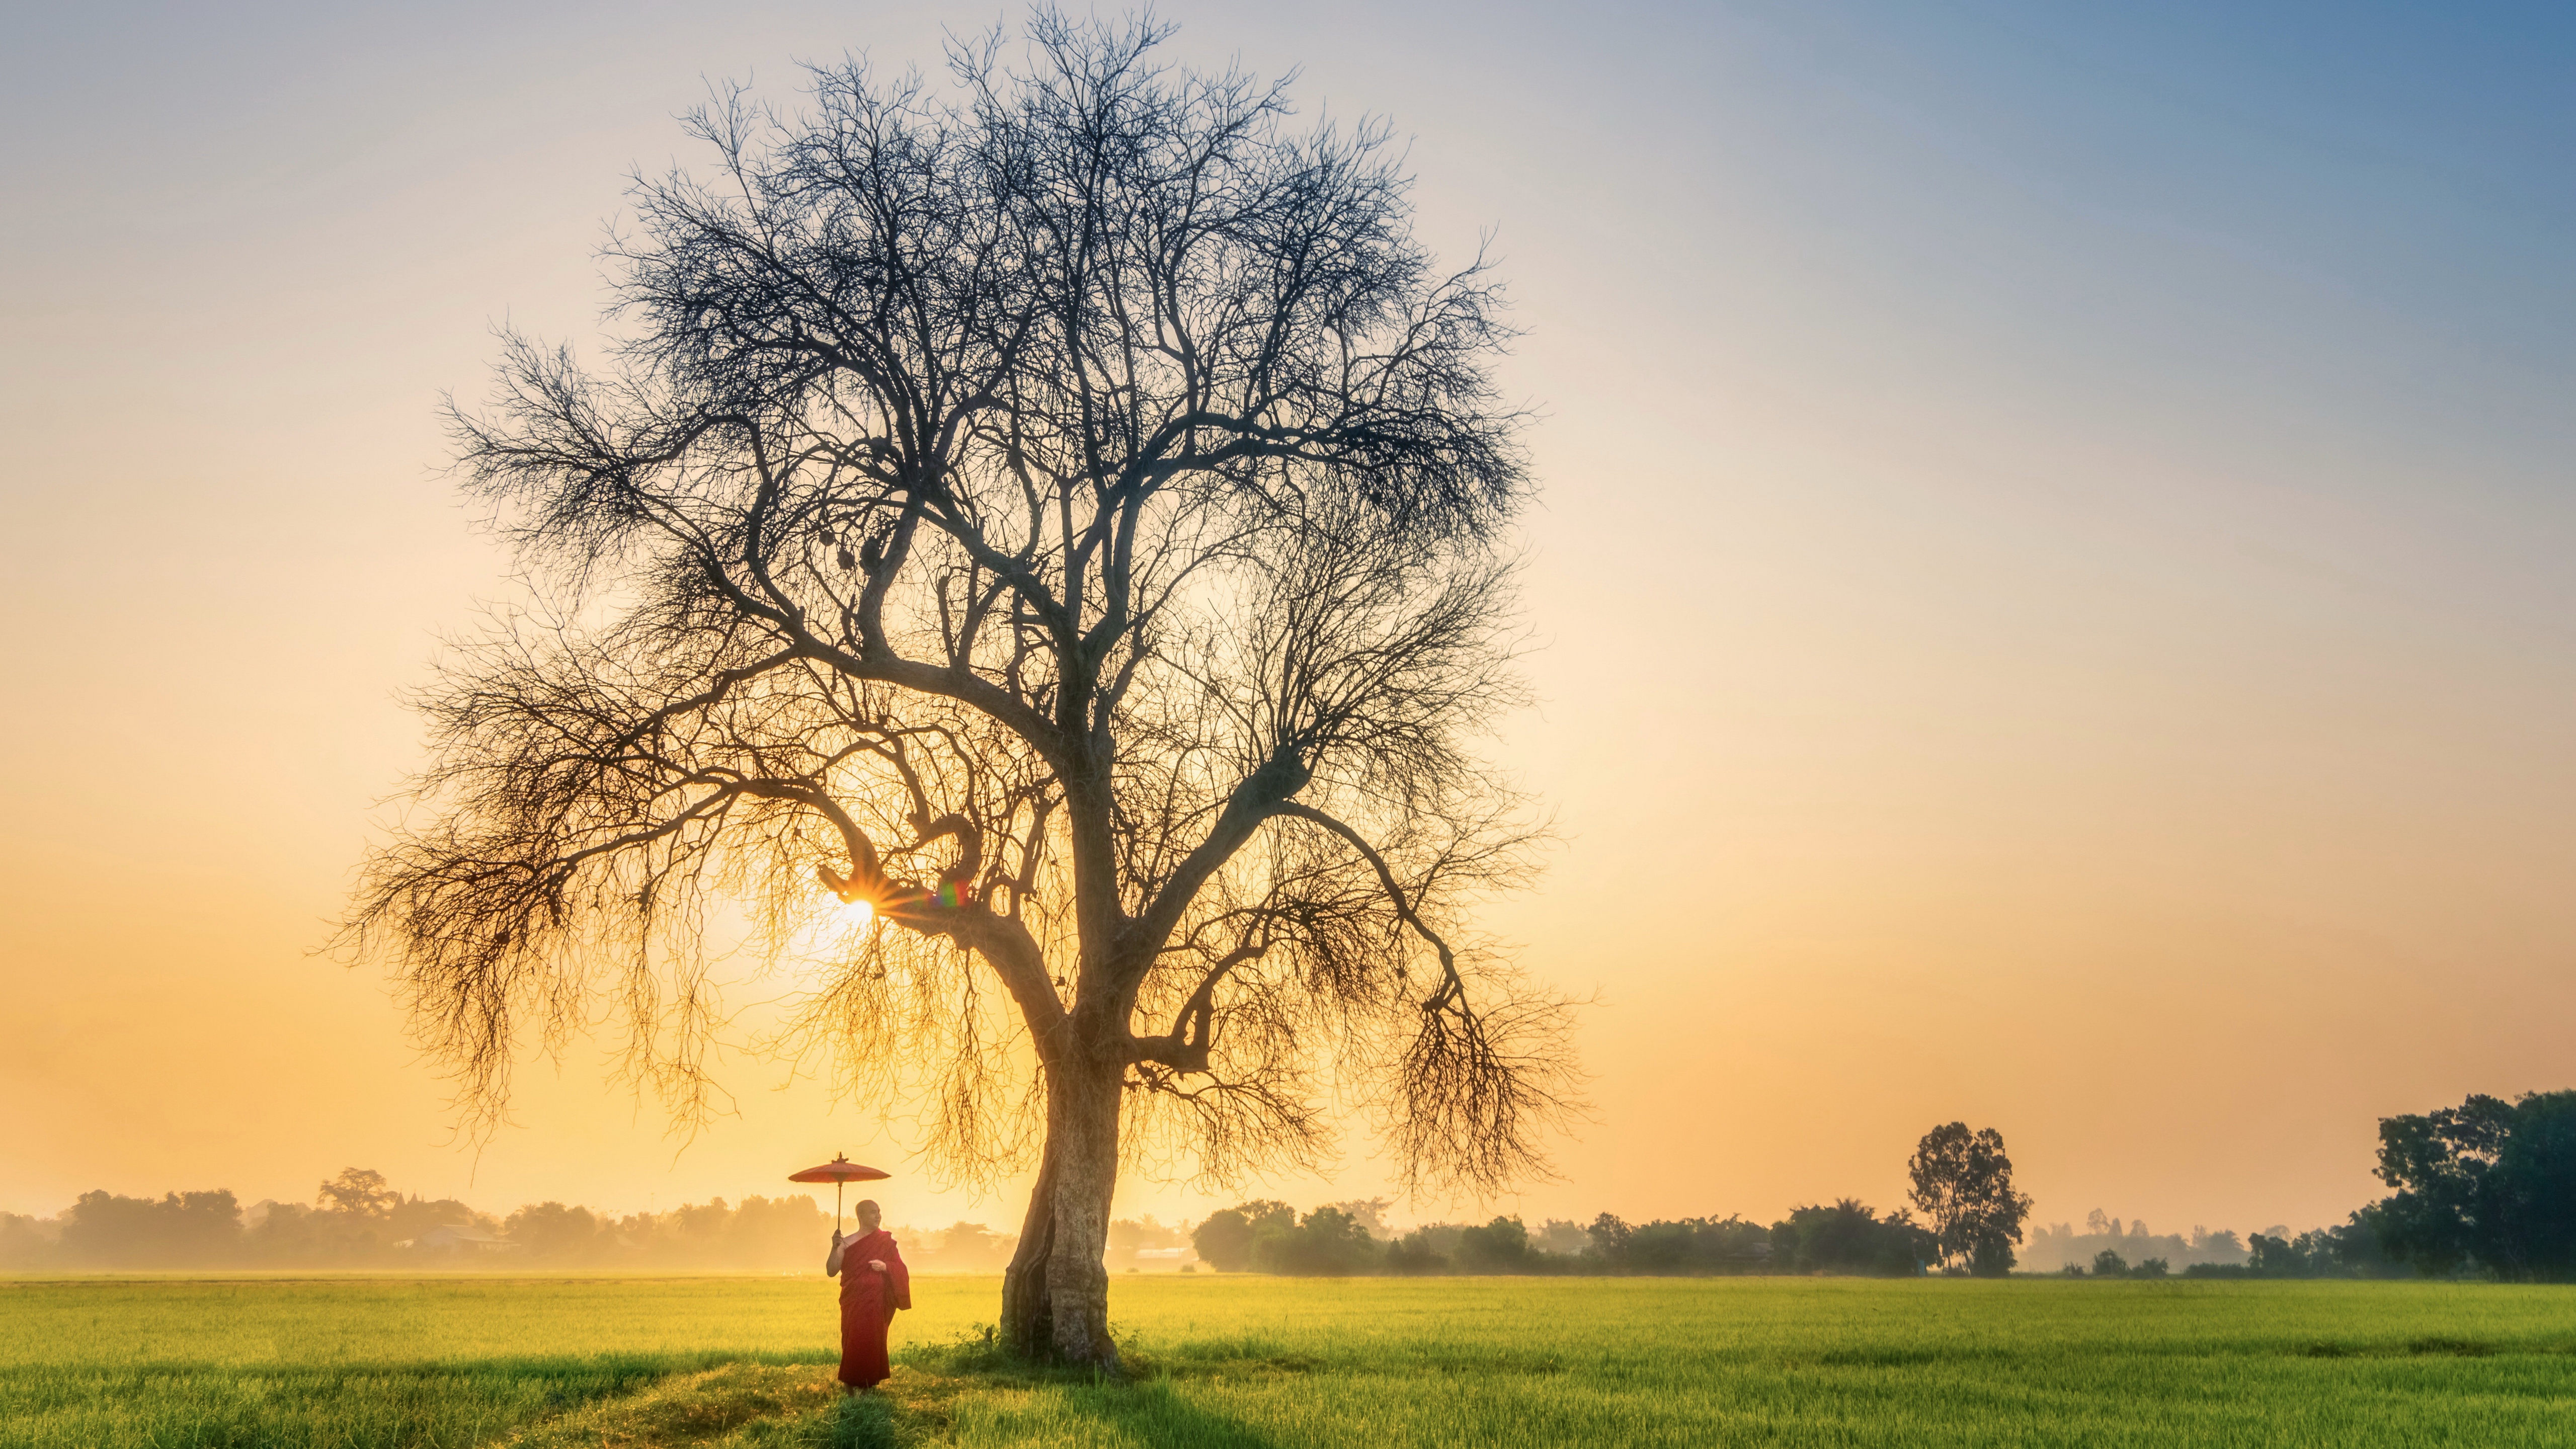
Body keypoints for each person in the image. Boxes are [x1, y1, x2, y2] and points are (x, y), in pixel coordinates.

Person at [824, 1198, 911, 1391]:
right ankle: (849, 1385)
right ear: (860, 1216)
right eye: (873, 1212)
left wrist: (886, 1267)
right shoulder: (847, 1243)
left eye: (879, 1211)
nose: (878, 1215)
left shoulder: (885, 1242)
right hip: (853, 1301)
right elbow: (832, 1270)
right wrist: (834, 1246)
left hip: (875, 1303)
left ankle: (868, 1386)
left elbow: (901, 1269)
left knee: (872, 1341)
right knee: (853, 1340)